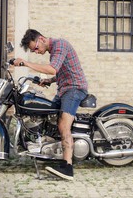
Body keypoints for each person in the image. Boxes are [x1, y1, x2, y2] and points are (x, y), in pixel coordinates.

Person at [13, 29, 88, 180]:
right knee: (49, 118)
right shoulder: (54, 51)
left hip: (74, 88)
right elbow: (62, 71)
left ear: (41, 39)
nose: (36, 51)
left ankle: (67, 167)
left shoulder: (60, 45)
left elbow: (52, 69)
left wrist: (26, 63)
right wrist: (50, 81)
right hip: (64, 89)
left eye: (35, 48)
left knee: (63, 125)